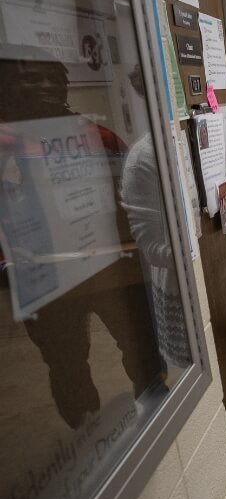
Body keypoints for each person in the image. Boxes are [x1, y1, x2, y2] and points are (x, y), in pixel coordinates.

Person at [0, 50, 163, 428]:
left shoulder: (97, 134)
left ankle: (153, 412)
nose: (45, 85)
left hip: (109, 265)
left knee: (139, 344)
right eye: (32, 78)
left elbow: (133, 193)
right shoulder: (6, 142)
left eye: (53, 77)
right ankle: (87, 427)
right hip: (46, 275)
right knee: (66, 360)